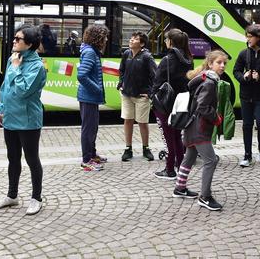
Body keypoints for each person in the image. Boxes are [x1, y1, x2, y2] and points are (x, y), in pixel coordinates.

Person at [0, 25, 47, 215]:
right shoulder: (12, 59)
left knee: (32, 159)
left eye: (18, 39)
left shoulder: (37, 66)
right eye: (15, 38)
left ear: (30, 44)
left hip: (28, 119)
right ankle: (12, 195)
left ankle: (36, 198)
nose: (14, 41)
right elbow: (5, 87)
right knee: (12, 158)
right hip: (10, 116)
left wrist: (16, 69)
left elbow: (23, 91)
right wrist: (2, 109)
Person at [172, 50, 227, 211]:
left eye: (224, 63)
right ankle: (205, 197)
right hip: (199, 128)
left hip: (192, 126)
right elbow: (203, 106)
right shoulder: (210, 82)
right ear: (210, 64)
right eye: (219, 62)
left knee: (189, 157)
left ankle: (180, 188)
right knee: (211, 160)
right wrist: (216, 117)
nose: (222, 66)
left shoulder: (206, 78)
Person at [152, 29, 194, 179]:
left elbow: (157, 83)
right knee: (177, 136)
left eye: (166, 39)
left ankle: (169, 169)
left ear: (171, 42)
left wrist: (153, 98)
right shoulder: (189, 59)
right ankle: (181, 166)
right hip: (180, 103)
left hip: (165, 104)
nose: (164, 42)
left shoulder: (167, 60)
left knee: (168, 138)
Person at [233, 24, 260, 167]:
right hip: (246, 95)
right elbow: (236, 71)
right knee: (247, 125)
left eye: (250, 36)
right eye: (247, 36)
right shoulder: (244, 53)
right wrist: (244, 76)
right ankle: (247, 155)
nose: (248, 39)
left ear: (259, 37)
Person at [118, 31, 157, 162]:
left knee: (142, 122)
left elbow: (155, 76)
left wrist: (150, 92)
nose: (131, 40)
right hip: (126, 94)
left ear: (142, 44)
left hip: (141, 96)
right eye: (131, 38)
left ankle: (146, 148)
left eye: (135, 39)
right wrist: (121, 83)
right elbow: (121, 70)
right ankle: (128, 149)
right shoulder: (126, 54)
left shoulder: (147, 57)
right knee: (128, 120)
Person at [78, 24, 109, 171]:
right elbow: (81, 75)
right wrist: (96, 89)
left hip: (90, 97)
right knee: (88, 129)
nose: (106, 40)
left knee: (93, 128)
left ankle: (92, 154)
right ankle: (86, 160)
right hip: (88, 96)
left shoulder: (92, 51)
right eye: (104, 37)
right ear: (98, 38)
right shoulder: (90, 52)